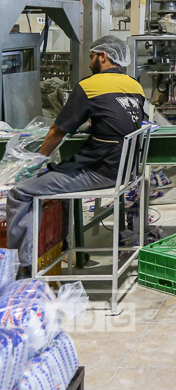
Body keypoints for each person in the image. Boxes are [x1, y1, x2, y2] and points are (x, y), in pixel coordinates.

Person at [7, 36, 144, 279]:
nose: (90, 63)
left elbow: (57, 131)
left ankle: (23, 268)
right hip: (126, 170)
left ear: (104, 56)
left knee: (20, 193)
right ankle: (63, 248)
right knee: (58, 182)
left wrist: (36, 162)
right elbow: (116, 120)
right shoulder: (135, 85)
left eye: (92, 57)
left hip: (101, 172)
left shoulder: (90, 85)